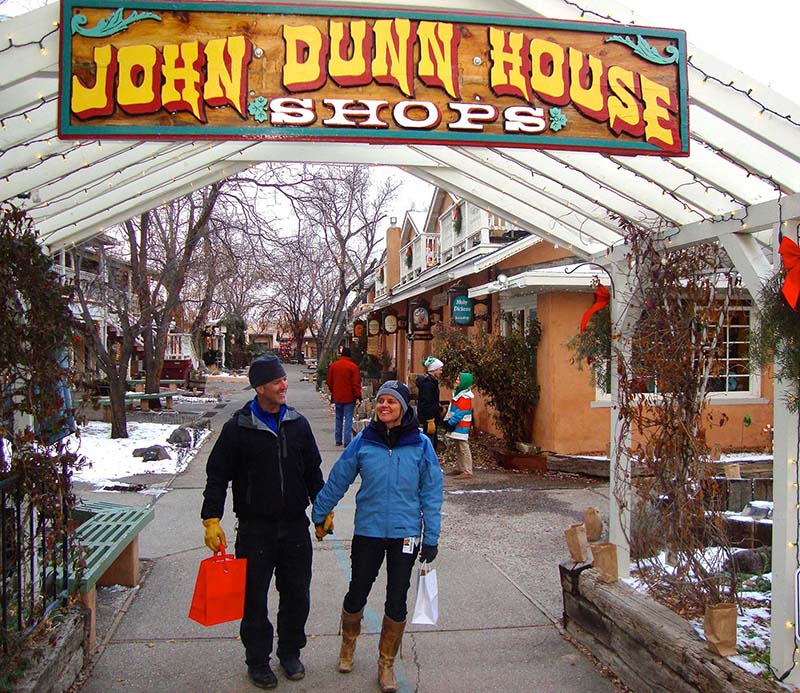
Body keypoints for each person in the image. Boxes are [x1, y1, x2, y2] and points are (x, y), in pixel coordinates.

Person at [200, 353, 325, 689]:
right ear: (259, 387)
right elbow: (217, 476)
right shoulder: (238, 428)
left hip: (295, 525)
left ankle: (289, 652)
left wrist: (322, 509)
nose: (284, 385)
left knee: (297, 594)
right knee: (253, 599)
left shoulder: (298, 424)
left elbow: (313, 471)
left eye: (284, 379)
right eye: (276, 381)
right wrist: (211, 517)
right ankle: (257, 659)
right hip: (255, 529)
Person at [311, 380, 443, 693]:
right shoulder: (364, 441)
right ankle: (348, 644)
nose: (384, 406)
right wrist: (320, 512)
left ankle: (386, 663)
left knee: (397, 599)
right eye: (381, 401)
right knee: (357, 591)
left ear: (403, 408)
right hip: (368, 531)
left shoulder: (420, 444)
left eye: (391, 402)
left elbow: (432, 491)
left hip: (405, 534)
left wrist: (431, 536)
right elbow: (340, 477)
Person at [326, 346, 362, 447]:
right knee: (348, 418)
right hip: (350, 397)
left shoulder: (334, 366)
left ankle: (338, 440)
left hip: (338, 396)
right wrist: (358, 395)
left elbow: (329, 381)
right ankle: (347, 441)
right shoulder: (353, 367)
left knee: (338, 418)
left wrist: (333, 390)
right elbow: (356, 383)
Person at [444, 372, 475, 479]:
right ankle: (461, 468)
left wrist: (450, 422)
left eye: (458, 380)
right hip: (457, 425)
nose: (456, 381)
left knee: (463, 447)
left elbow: (459, 413)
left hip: (461, 425)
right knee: (459, 447)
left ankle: (467, 470)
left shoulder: (464, 397)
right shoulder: (459, 394)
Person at [416, 356, 444, 451]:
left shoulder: (431, 382)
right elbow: (426, 402)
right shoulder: (428, 384)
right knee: (429, 443)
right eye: (440, 369)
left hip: (431, 417)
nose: (441, 372)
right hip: (429, 419)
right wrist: (430, 419)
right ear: (434, 369)